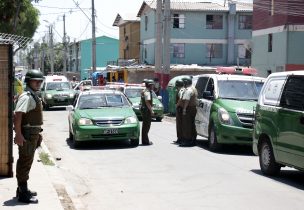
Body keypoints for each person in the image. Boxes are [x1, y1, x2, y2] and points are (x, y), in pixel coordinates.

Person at [14, 69, 44, 203]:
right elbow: (18, 114)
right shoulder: (26, 96)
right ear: (28, 81)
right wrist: (18, 134)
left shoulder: (33, 95)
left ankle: (22, 189)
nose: (38, 83)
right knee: (25, 162)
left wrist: (38, 134)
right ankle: (23, 193)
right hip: (27, 134)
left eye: (40, 81)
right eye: (35, 81)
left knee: (27, 161)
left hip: (32, 133)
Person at [180, 76, 197, 147]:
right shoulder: (194, 88)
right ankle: (193, 139)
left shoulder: (188, 90)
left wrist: (184, 109)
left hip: (188, 108)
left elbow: (186, 100)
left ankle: (187, 140)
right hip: (193, 108)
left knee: (187, 125)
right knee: (192, 124)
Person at [140, 79, 154, 145]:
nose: (153, 86)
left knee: (145, 126)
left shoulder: (145, 91)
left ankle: (145, 140)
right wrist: (151, 110)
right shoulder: (147, 92)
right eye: (152, 85)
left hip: (145, 110)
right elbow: (147, 102)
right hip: (146, 111)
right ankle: (145, 141)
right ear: (149, 85)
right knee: (146, 126)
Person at [173, 79, 185, 144]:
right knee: (180, 124)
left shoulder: (180, 90)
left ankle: (180, 138)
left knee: (179, 125)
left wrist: (177, 105)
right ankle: (180, 138)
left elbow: (180, 99)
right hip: (181, 109)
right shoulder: (183, 90)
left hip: (180, 109)